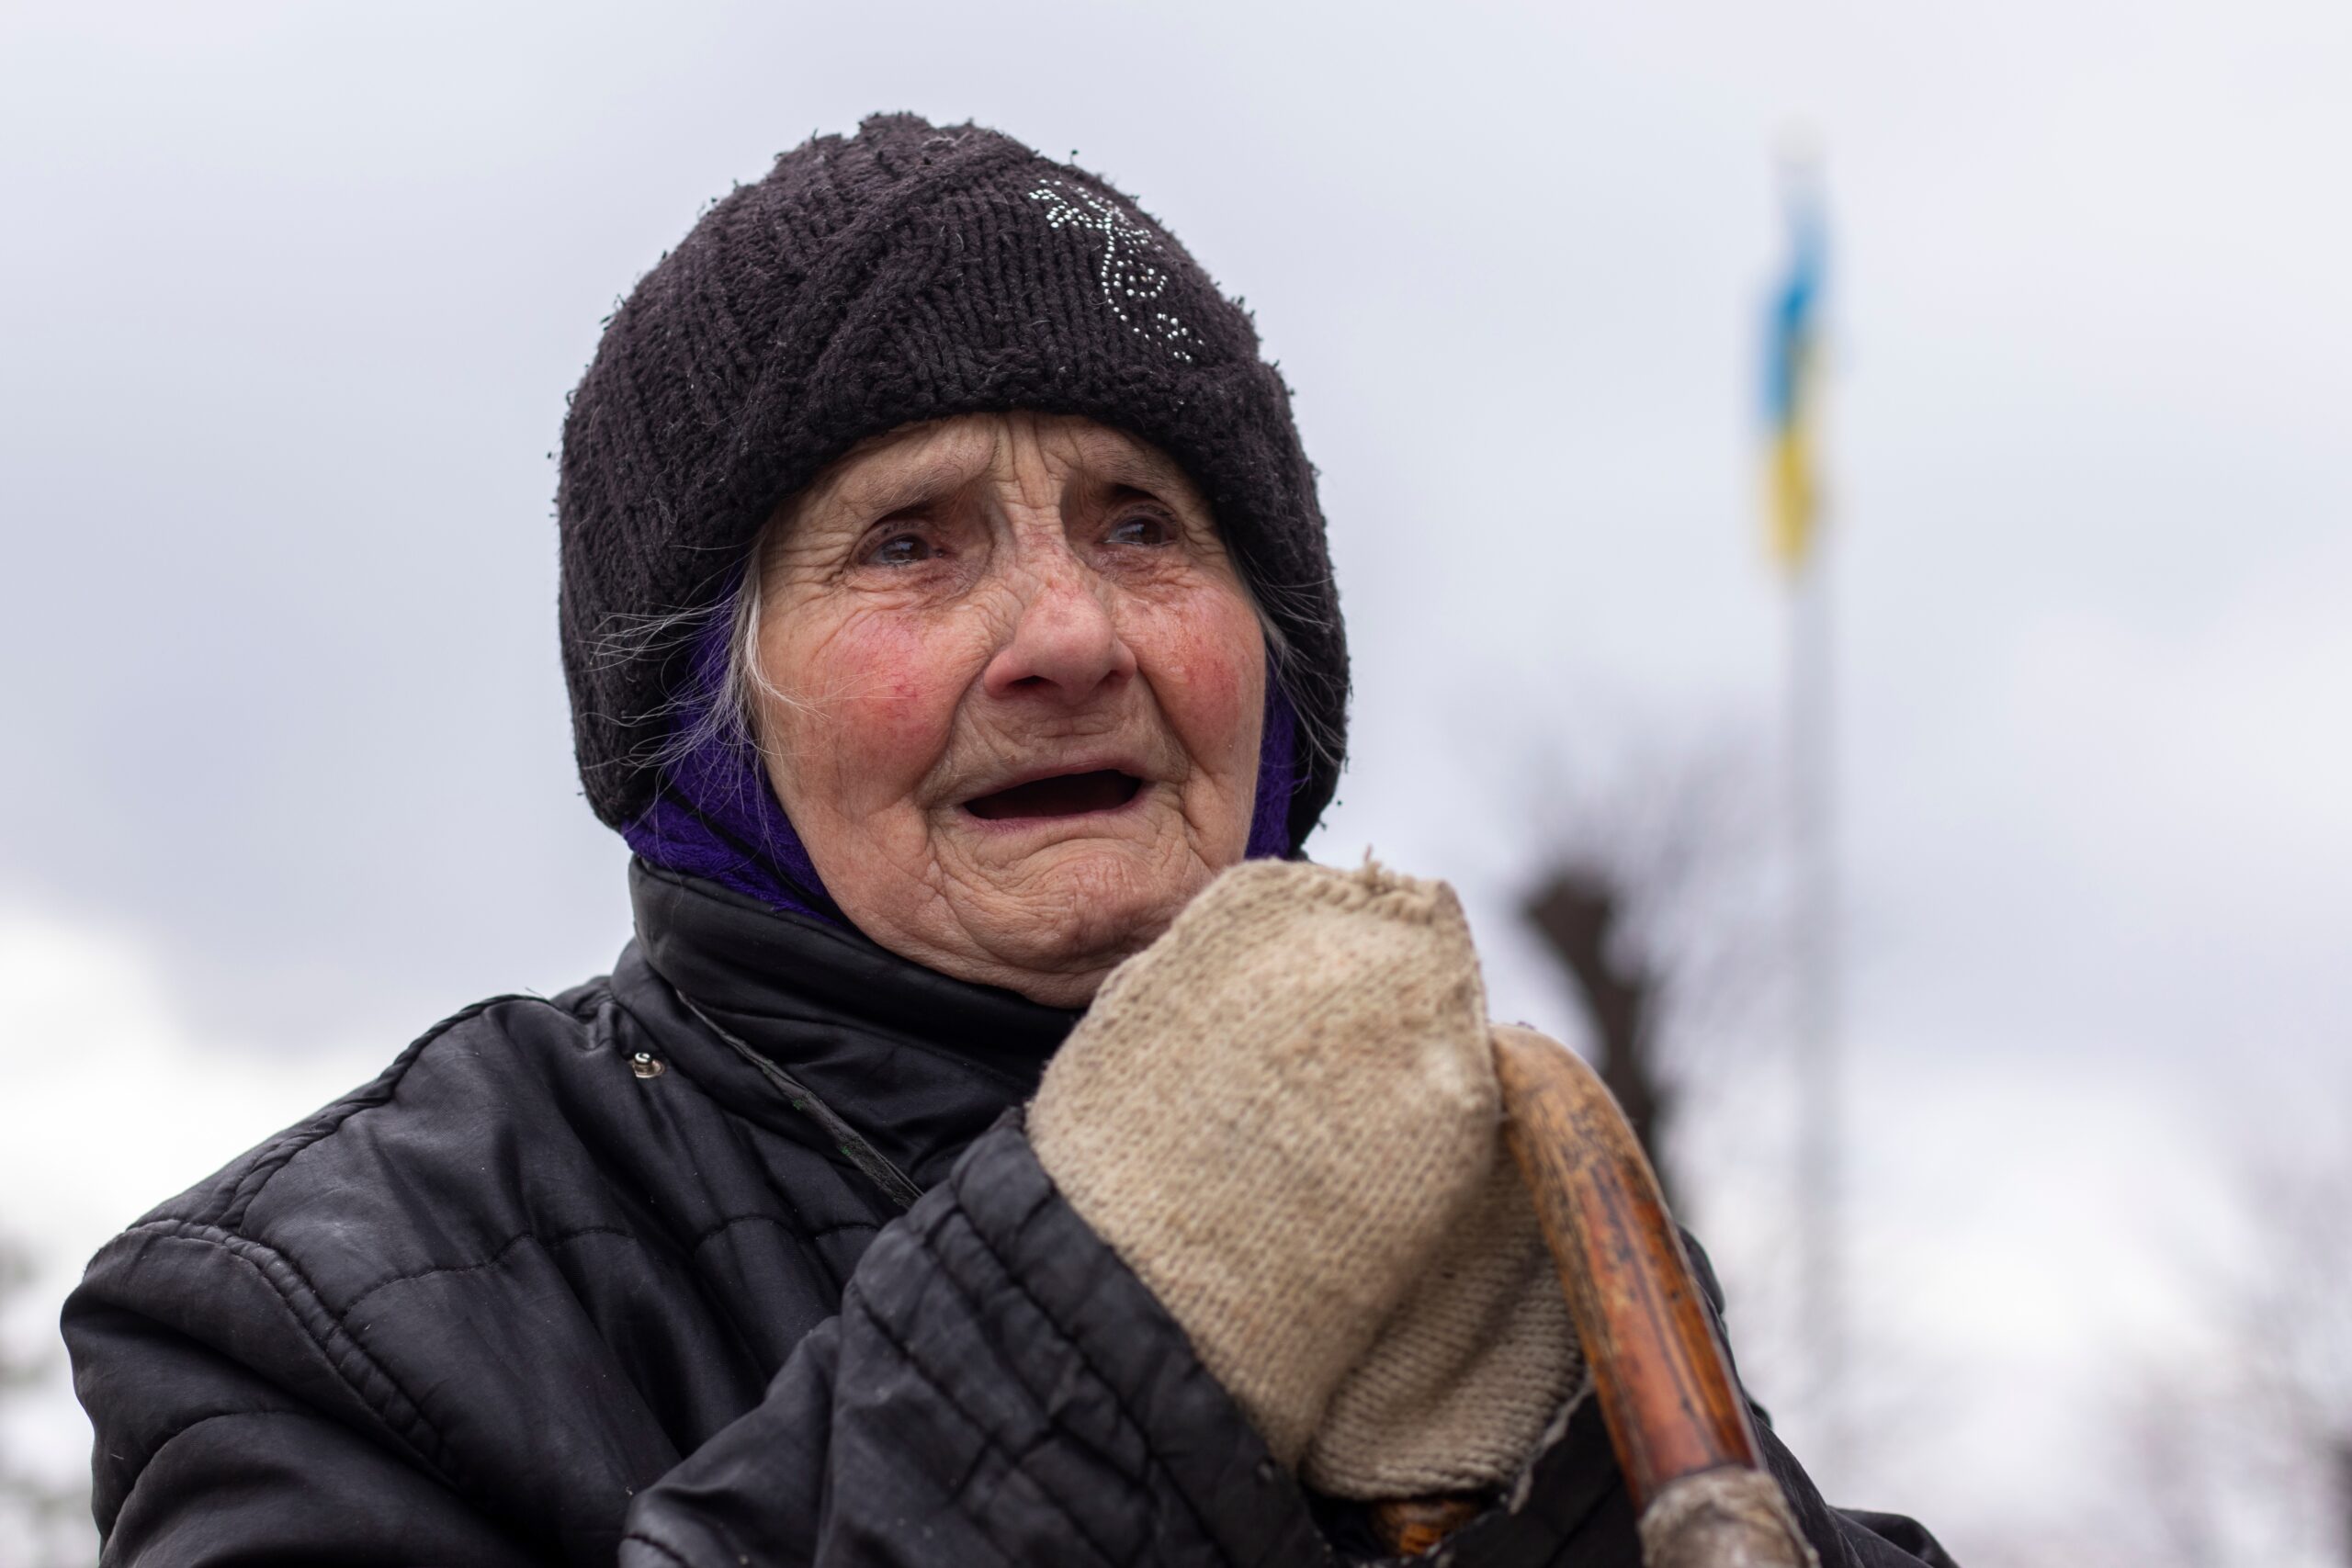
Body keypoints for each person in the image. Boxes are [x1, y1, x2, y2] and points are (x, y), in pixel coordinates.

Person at [63, 115, 1953, 1567]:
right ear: (701, 716)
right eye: (910, 539)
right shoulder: (314, 1313)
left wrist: (1535, 1512)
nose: (1070, 634)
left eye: (1143, 524)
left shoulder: (1518, 1218)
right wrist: (1103, 1320)